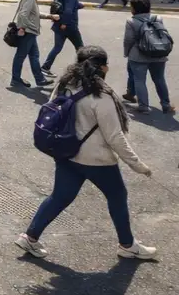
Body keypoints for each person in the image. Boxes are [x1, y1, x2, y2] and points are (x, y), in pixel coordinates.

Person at [15, 46, 156, 261]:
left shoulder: (64, 85)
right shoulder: (102, 96)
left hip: (66, 152)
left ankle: (30, 236)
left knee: (60, 197)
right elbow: (115, 137)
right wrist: (138, 165)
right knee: (117, 196)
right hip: (96, 160)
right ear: (102, 68)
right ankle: (127, 245)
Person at [123, 0, 173, 115]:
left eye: (131, 7)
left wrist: (127, 53)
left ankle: (144, 106)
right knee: (159, 79)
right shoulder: (158, 18)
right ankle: (166, 104)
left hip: (138, 56)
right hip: (158, 53)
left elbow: (128, 40)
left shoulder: (131, 21)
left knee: (140, 80)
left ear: (135, 9)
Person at [10, 0, 58, 89]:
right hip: (28, 32)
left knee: (34, 56)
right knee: (21, 56)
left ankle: (40, 79)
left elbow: (34, 14)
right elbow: (23, 15)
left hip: (30, 32)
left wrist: (49, 16)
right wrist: (25, 28)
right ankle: (15, 79)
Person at [41, 0, 84, 77]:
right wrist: (64, 23)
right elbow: (68, 11)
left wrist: (80, 5)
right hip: (69, 26)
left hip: (58, 26)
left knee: (57, 47)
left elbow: (66, 6)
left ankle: (45, 67)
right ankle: (83, 70)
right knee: (80, 48)